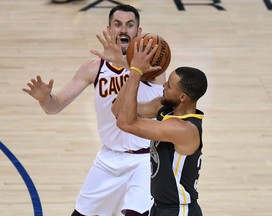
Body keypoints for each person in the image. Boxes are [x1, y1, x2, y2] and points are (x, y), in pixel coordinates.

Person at [22, 4, 166, 216]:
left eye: (129, 25)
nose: (123, 30)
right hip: (109, 158)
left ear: (139, 32)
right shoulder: (94, 67)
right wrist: (45, 99)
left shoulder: (153, 64)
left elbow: (146, 76)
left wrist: (123, 62)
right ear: (109, 30)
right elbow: (56, 106)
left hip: (143, 160)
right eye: (117, 25)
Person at [112, 39, 208, 216]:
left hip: (179, 211)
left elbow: (126, 123)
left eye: (169, 86)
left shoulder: (184, 129)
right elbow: (118, 111)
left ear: (182, 98)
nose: (163, 86)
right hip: (160, 206)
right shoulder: (165, 107)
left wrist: (135, 72)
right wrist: (135, 74)